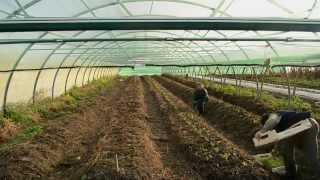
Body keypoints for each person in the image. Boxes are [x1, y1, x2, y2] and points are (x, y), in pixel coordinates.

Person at [255, 111, 320, 179]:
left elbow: (273, 120)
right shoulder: (282, 125)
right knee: (306, 155)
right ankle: (298, 174)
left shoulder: (275, 115)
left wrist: (262, 131)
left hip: (304, 125)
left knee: (307, 155)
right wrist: (274, 151)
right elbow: (280, 141)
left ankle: (293, 174)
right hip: (306, 126)